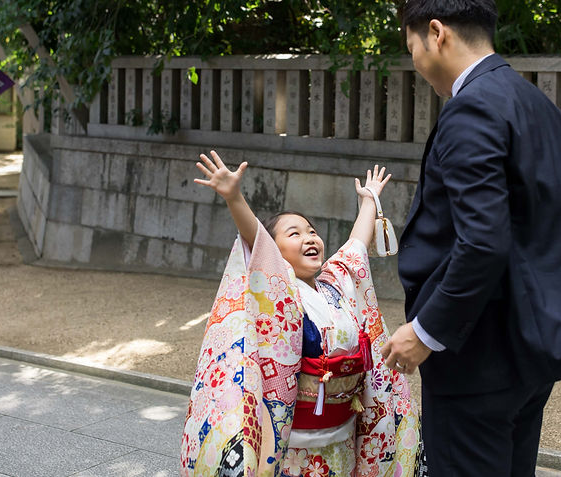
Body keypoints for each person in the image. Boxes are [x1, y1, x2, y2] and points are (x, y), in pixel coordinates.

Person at [381, 0, 561, 476]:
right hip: (529, 346)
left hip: (477, 353)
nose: (415, 62)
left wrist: (426, 330)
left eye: (412, 47)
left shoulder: (470, 111)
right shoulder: (537, 105)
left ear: (436, 33)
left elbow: (482, 242)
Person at [180, 150, 425, 477]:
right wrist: (234, 197)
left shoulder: (335, 283)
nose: (309, 238)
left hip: (342, 437)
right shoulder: (279, 288)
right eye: (294, 234)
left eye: (311, 231)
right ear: (273, 250)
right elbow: (257, 239)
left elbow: (355, 245)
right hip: (293, 442)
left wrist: (369, 200)